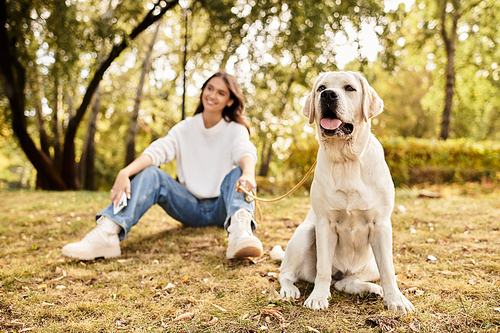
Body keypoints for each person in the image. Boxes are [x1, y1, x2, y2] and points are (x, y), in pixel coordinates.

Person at [62, 70, 263, 260]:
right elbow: (157, 151)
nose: (212, 95)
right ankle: (107, 234)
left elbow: (244, 151)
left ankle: (240, 234)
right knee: (151, 173)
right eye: (209, 88)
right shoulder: (185, 128)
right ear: (203, 90)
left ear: (229, 101)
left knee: (239, 172)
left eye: (221, 93)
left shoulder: (235, 129)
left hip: (223, 207)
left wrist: (248, 173)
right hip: (190, 207)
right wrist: (125, 172)